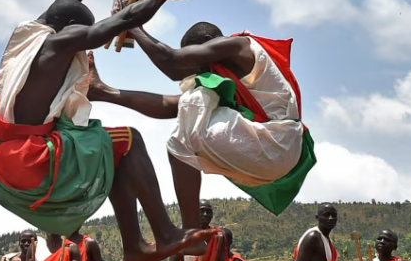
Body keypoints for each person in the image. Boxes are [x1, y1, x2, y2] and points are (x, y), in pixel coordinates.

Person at [0, 0, 211, 261]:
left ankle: (135, 247)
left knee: (112, 149)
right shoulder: (58, 43)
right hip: (30, 161)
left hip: (4, 166)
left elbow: (63, 3)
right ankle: (162, 235)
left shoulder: (30, 38)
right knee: (130, 140)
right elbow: (114, 26)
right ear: (73, 31)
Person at [86, 20, 315, 229]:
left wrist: (132, 24)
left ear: (207, 45)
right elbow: (171, 106)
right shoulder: (223, 76)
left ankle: (191, 230)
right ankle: (191, 230)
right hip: (280, 153)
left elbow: (173, 65)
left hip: (275, 145)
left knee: (190, 111)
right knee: (190, 108)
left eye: (193, 56)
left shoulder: (238, 46)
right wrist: (105, 93)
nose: (193, 66)